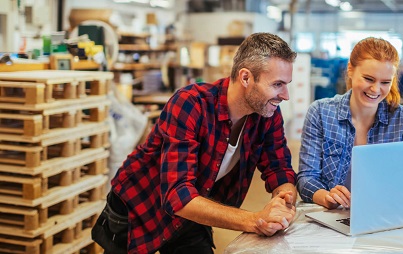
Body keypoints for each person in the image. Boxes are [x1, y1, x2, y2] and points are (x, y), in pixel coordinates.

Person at [92, 32, 298, 254]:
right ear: (246, 78)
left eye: (287, 84)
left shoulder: (267, 114)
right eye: (278, 84)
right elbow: (177, 195)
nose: (285, 95)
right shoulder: (191, 104)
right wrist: (255, 220)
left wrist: (283, 198)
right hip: (140, 208)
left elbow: (279, 168)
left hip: (192, 212)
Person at [296, 37, 403, 209]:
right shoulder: (320, 113)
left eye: (385, 82)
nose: (376, 89)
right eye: (369, 79)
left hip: (382, 213)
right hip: (331, 215)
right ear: (350, 70)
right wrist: (326, 197)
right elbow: (306, 178)